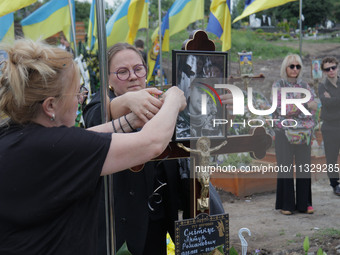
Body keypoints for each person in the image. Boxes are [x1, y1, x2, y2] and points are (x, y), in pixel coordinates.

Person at [0, 39, 186, 254]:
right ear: (50, 105)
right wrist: (173, 98)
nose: (80, 100)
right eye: (77, 92)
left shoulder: (15, 135)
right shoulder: (59, 147)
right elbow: (151, 143)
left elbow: (87, 136)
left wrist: (132, 120)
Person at [272, 54, 318, 215]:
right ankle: (286, 204)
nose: (295, 69)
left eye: (298, 66)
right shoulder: (279, 85)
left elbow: (313, 109)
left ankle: (305, 203)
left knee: (304, 167)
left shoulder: (305, 85)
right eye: (291, 66)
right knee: (285, 167)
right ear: (285, 67)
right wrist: (304, 104)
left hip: (304, 132)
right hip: (283, 131)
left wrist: (299, 106)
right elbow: (282, 109)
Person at [318, 56, 340, 196]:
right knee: (331, 157)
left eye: (333, 67)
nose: (331, 71)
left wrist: (333, 99)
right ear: (324, 71)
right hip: (330, 126)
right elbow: (326, 104)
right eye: (327, 69)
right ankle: (335, 184)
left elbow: (331, 102)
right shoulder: (322, 86)